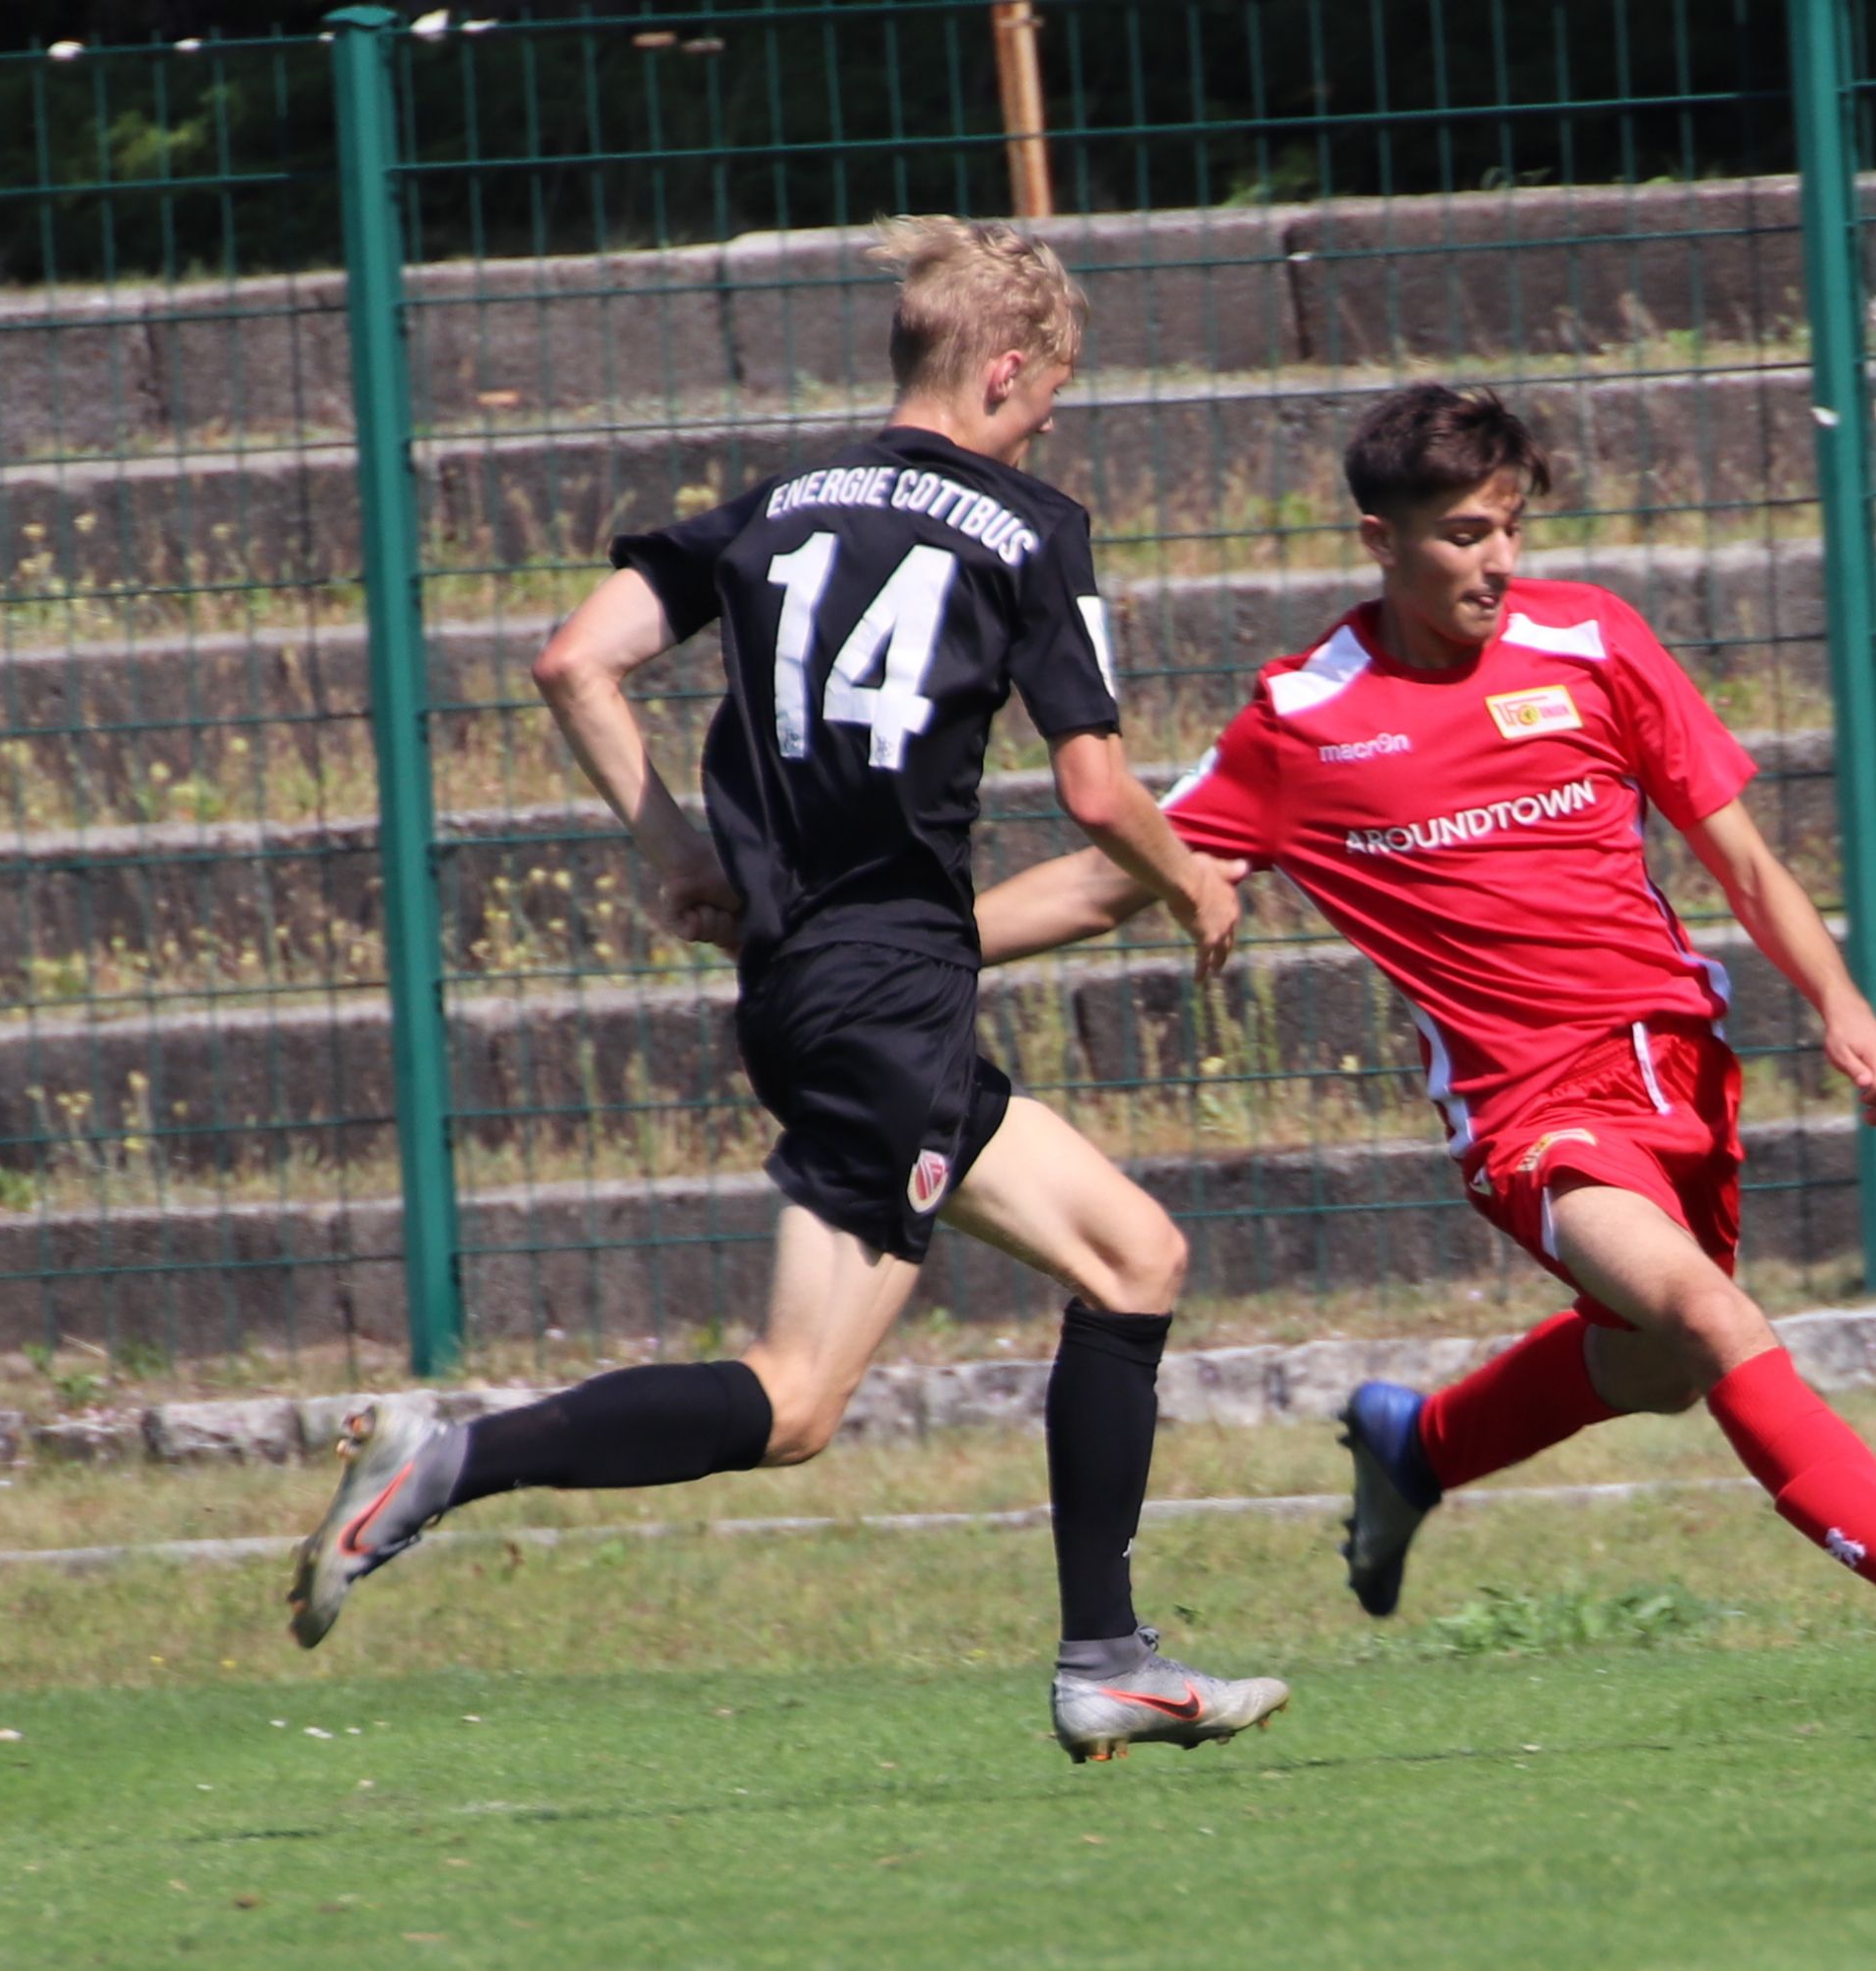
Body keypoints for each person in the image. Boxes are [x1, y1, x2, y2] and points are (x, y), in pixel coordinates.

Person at [286, 217, 1291, 1763]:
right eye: (1049, 396)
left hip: (805, 988)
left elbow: (573, 660)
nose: (1048, 428)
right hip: (892, 996)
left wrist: (675, 851)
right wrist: (1196, 882)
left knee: (981, 1320)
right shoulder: (1030, 527)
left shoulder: (776, 505)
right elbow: (1095, 792)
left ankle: (1103, 1654)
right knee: (967, 1325)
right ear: (1005, 369)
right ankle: (1097, 1656)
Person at [971, 383, 1876, 1705]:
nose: (1496, 561)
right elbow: (1108, 881)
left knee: (1657, 1365)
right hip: (1530, 1110)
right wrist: (912, 948)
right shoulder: (1306, 719)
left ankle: (1417, 1446)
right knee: (1711, 1319)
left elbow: (1741, 858)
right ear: (1381, 540)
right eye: (1463, 535)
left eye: (1509, 529)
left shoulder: (1592, 641)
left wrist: (1843, 1004)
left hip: (1681, 1073)